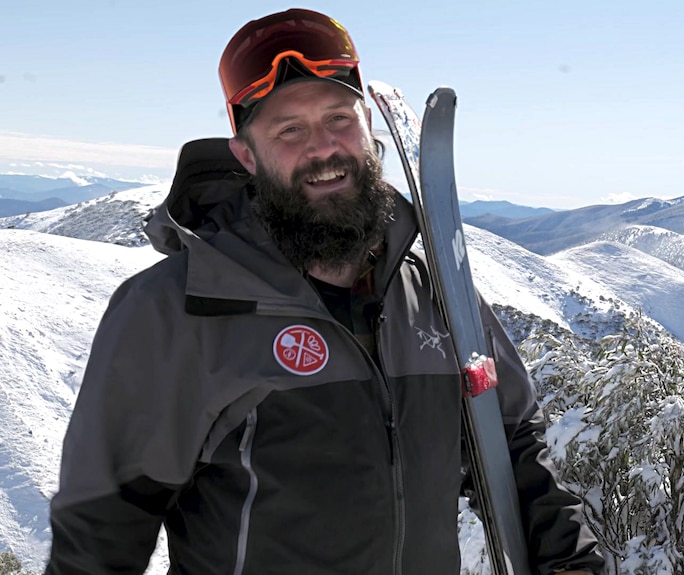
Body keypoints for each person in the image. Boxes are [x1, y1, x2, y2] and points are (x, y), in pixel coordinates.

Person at [46, 8, 605, 575]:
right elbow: (100, 530)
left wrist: (569, 559)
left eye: (339, 118)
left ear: (368, 129)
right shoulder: (176, 311)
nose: (323, 149)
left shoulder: (436, 295)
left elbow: (511, 443)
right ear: (246, 155)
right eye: (289, 130)